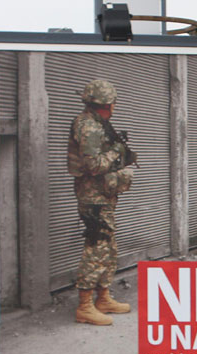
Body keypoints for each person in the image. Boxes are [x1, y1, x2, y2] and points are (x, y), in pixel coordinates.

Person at [67, 79, 137, 326]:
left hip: (102, 196)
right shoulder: (88, 127)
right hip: (92, 197)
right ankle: (85, 306)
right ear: (105, 104)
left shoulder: (98, 123)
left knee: (108, 246)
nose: (114, 107)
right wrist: (116, 151)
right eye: (113, 103)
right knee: (96, 247)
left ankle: (103, 298)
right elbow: (94, 165)